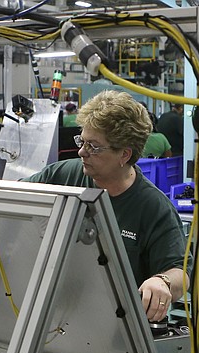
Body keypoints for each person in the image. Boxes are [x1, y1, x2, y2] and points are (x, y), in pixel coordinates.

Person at [23, 90, 188, 322]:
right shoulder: (63, 175)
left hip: (114, 326)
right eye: (82, 141)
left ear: (124, 154)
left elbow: (180, 272)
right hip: (54, 313)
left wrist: (163, 282)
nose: (82, 151)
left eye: (94, 147)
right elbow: (14, 196)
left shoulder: (153, 207)